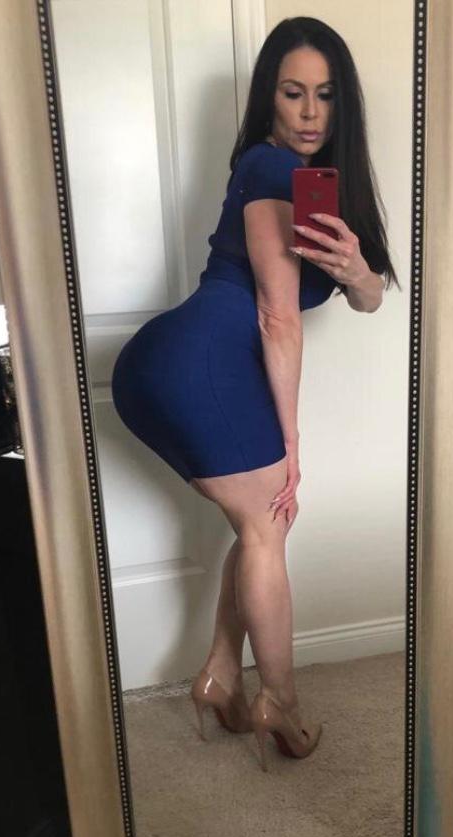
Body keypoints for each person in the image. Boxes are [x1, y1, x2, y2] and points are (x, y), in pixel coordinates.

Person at [111, 16, 399, 771]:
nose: (309, 113)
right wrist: (292, 443)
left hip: (169, 363)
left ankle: (220, 675)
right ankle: (282, 702)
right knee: (270, 525)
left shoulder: (309, 185)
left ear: (342, 104)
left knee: (254, 530)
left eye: (325, 95)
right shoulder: (270, 169)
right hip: (201, 362)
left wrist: (358, 272)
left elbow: (370, 299)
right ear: (269, 96)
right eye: (292, 92)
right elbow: (276, 315)